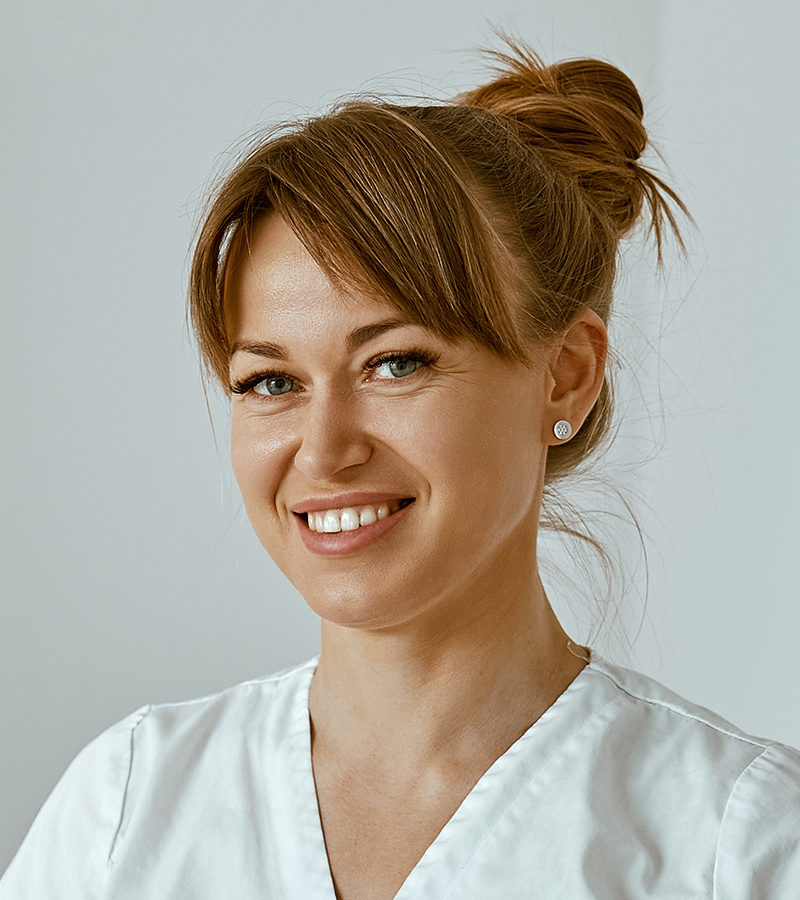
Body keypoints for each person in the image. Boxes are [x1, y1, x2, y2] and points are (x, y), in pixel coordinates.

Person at [2, 37, 799, 900]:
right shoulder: (123, 807)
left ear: (566, 374)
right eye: (271, 382)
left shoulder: (740, 844)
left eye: (396, 364)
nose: (323, 450)